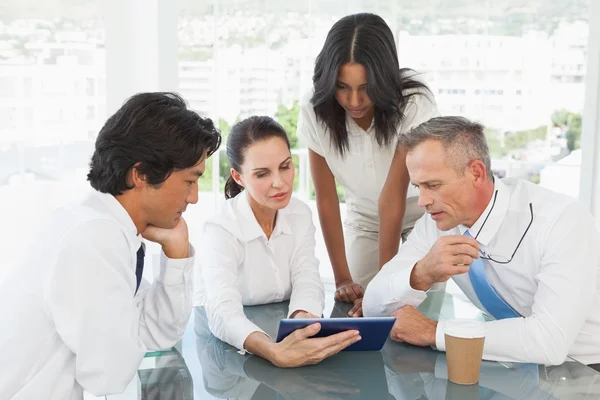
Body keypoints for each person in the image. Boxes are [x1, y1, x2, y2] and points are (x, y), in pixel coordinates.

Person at [0, 92, 222, 399]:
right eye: (190, 181)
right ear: (141, 173)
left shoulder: (105, 229)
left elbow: (157, 333)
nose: (194, 197)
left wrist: (177, 255)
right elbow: (109, 374)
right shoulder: (93, 238)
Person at [363, 116, 600, 368]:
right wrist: (420, 274)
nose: (422, 201)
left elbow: (549, 342)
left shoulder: (561, 219)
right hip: (509, 364)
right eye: (418, 187)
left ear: (476, 173)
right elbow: (373, 306)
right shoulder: (436, 222)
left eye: (433, 185)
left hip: (585, 368)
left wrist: (433, 332)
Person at [297, 13, 440, 316]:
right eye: (342, 86)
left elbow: (393, 197)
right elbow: (325, 198)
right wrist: (342, 278)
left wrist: (385, 287)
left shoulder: (414, 102)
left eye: (365, 87)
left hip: (423, 215)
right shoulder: (315, 109)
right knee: (359, 311)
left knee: (414, 312)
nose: (354, 100)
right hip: (365, 215)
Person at [195, 116, 361, 368]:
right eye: (262, 174)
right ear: (238, 177)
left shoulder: (299, 214)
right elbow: (222, 312)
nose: (279, 183)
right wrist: (273, 351)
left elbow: (307, 278)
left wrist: (304, 323)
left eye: (285, 166)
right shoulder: (221, 228)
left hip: (281, 333)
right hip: (227, 355)